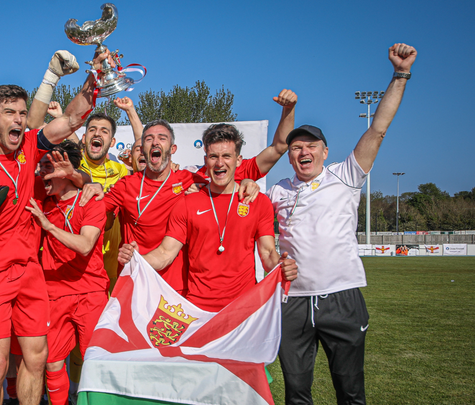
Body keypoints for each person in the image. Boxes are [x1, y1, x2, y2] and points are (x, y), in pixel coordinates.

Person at [0, 50, 106, 405]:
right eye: (9, 113)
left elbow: (73, 119)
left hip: (29, 272)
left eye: (21, 113)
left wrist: (94, 78)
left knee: (36, 359)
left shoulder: (30, 146)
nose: (18, 120)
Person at [266, 43, 417, 405]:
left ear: (325, 151)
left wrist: (400, 75)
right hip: (292, 302)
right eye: (296, 147)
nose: (303, 152)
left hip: (342, 297)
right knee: (296, 393)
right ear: (289, 157)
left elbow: (378, 129)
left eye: (311, 146)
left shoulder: (345, 176)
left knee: (350, 393)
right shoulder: (276, 191)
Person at [119, 123, 298, 312]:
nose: (220, 163)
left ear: (238, 160)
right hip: (197, 310)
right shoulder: (187, 202)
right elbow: (165, 253)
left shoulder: (257, 201)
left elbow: (268, 253)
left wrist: (280, 266)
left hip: (243, 309)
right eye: (213, 157)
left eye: (226, 156)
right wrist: (137, 258)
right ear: (206, 160)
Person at [25, 141, 109, 405]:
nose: (42, 173)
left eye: (49, 167)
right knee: (52, 363)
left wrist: (47, 226)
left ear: (67, 170)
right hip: (54, 293)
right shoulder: (42, 201)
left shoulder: (93, 201)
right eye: (41, 166)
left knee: (95, 363)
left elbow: (85, 246)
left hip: (90, 293)